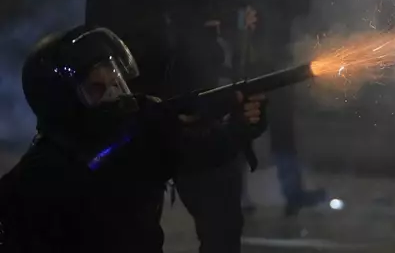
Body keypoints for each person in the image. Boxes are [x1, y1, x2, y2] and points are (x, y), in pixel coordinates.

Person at [85, 0, 255, 251]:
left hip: (203, 119)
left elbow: (233, 40)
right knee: (134, 236)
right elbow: (105, 59)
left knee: (224, 228)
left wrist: (241, 105)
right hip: (142, 125)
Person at [0, 26, 265, 252]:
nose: (115, 97)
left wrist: (239, 127)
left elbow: (199, 151)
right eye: (97, 89)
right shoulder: (42, 173)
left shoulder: (135, 139)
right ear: (63, 103)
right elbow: (96, 171)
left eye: (116, 82)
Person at [234, 0, 326, 216]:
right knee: (253, 127)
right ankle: (284, 192)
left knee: (255, 127)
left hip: (259, 59)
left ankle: (280, 192)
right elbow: (298, 4)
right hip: (263, 59)